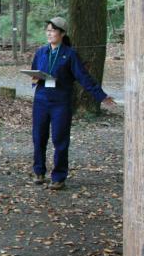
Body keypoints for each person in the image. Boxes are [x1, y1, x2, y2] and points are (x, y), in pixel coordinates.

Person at [30, 17, 115, 190]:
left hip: (60, 102)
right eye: (47, 30)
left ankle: (59, 177)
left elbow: (83, 77)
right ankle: (39, 171)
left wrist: (101, 96)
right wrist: (34, 79)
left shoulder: (69, 54)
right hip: (41, 100)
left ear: (62, 33)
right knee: (39, 137)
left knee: (60, 139)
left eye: (53, 30)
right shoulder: (41, 52)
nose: (49, 33)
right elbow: (33, 72)